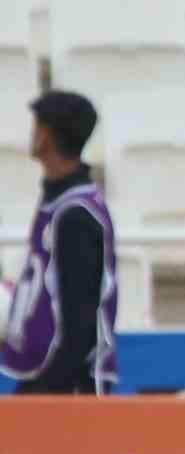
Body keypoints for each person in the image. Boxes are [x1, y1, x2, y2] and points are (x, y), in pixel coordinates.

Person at [1, 91, 118, 396]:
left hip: (69, 385)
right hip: (50, 377)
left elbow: (79, 320)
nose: (32, 132)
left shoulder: (75, 215)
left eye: (37, 125)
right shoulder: (57, 200)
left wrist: (48, 391)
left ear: (47, 136)